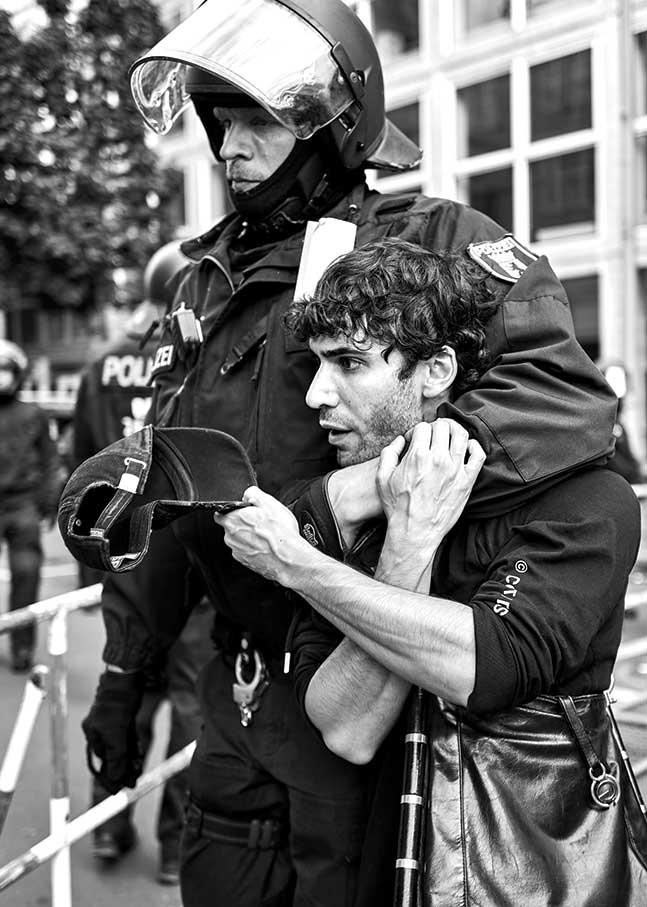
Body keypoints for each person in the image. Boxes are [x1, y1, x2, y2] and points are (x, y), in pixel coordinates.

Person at [75, 1, 621, 904]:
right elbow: (175, 489)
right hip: (234, 680)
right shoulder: (202, 284)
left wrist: (354, 494)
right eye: (217, 122)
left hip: (359, 667)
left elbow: (561, 402)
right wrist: (124, 674)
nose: (226, 148)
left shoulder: (431, 244)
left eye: (255, 119)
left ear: (329, 128)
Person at [213, 237, 647, 907]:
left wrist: (299, 566)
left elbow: (486, 662)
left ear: (437, 367)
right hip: (383, 866)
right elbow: (345, 727)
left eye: (349, 363)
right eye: (317, 363)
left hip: (531, 874)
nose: (316, 394)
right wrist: (409, 546)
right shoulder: (361, 518)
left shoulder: (588, 500)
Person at [72, 243, 214, 885]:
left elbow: (80, 461)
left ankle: (107, 826)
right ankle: (179, 847)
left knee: (125, 690)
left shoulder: (104, 366)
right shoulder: (200, 354)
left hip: (122, 556)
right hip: (188, 560)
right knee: (190, 703)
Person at [0, 338, 61, 672]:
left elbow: (51, 461)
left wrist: (49, 503)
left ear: (17, 373)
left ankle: (22, 647)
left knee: (26, 573)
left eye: (5, 370)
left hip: (21, 505)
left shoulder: (33, 414)